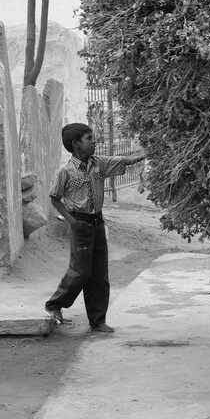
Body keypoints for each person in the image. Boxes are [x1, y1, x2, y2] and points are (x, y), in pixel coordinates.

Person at [44, 123, 145, 333]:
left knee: (100, 273)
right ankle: (55, 304)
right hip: (80, 224)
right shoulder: (66, 171)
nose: (95, 141)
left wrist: (144, 155)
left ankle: (97, 320)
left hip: (97, 223)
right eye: (90, 138)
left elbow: (122, 160)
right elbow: (54, 198)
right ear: (76, 144)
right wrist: (72, 222)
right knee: (81, 271)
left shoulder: (99, 164)